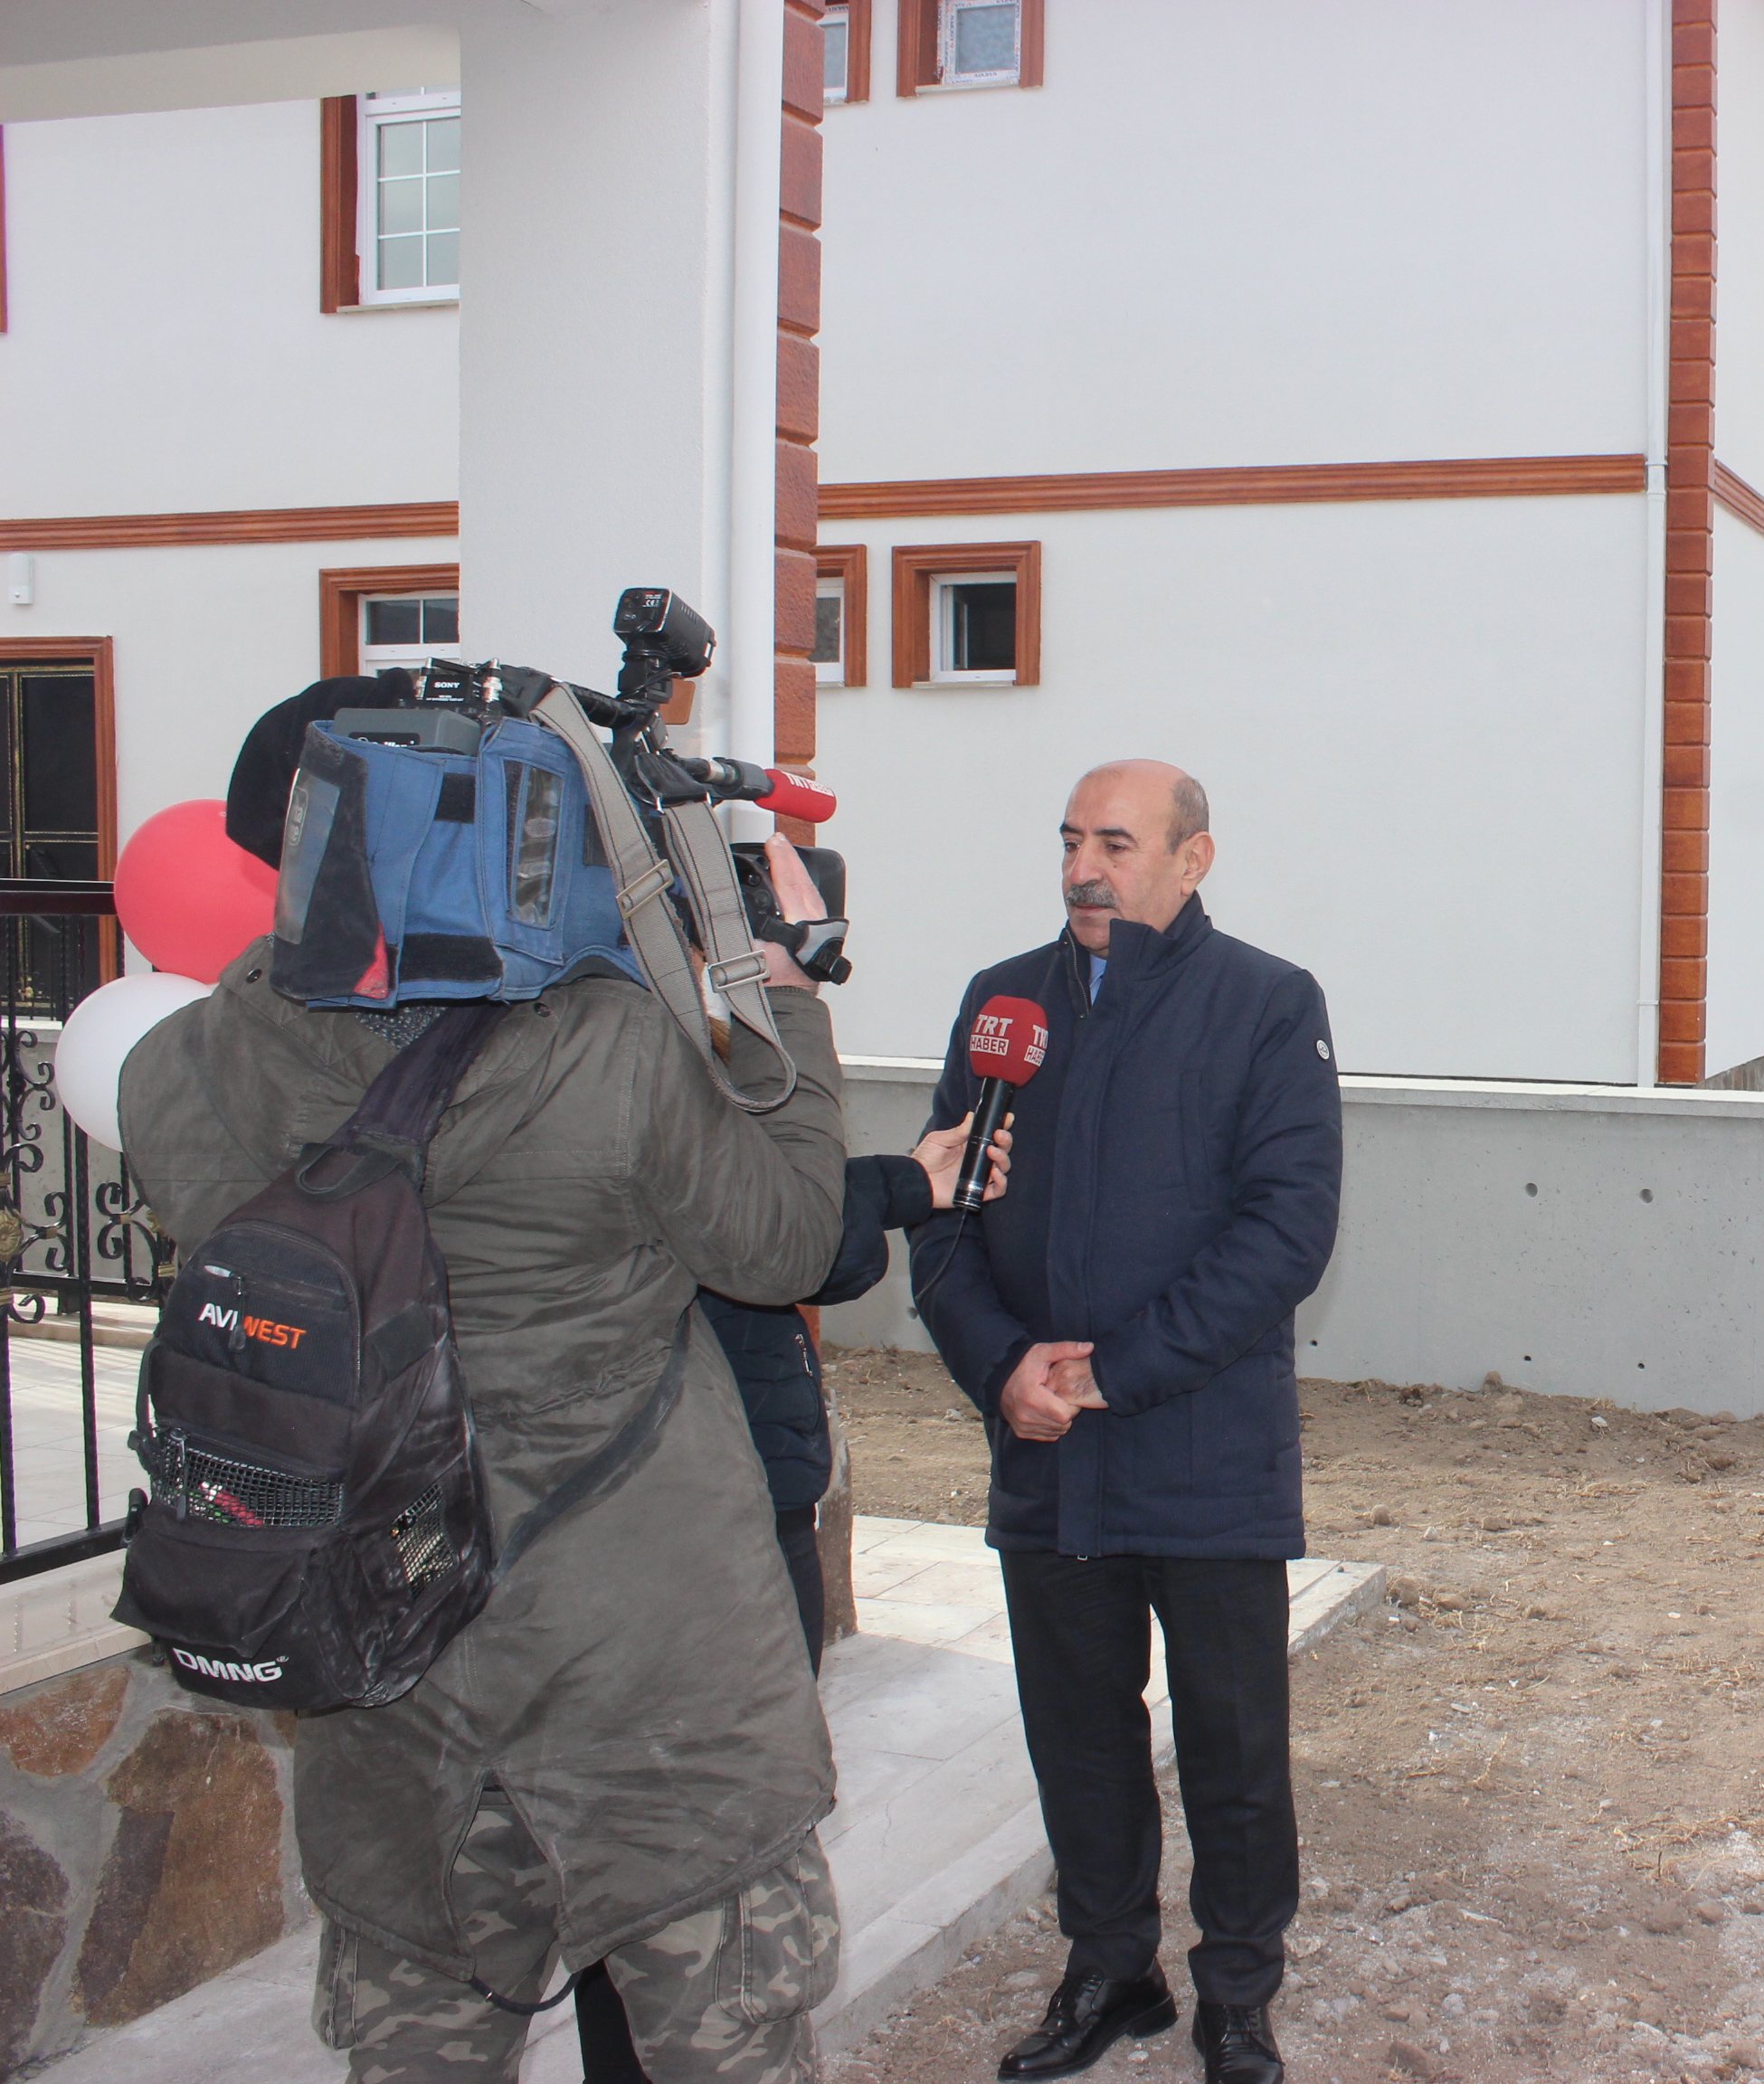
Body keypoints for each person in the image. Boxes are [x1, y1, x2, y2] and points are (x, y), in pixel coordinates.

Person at [122, 703, 854, 2081]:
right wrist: (786, 1016)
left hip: (392, 1673)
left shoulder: (205, 1058)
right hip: (646, 1682)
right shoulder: (615, 1050)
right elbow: (786, 1243)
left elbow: (229, 1098)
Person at [911, 761, 1342, 2084]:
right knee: (1078, 1738)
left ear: (1192, 860)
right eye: (1069, 842)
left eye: (1115, 842)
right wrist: (1005, 1373)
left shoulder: (1267, 1005)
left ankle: (1235, 1996)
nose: (1083, 868)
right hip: (1048, 1460)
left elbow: (1286, 1233)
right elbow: (942, 1220)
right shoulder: (1006, 1005)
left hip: (1201, 1454)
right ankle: (1110, 1973)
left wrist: (1110, 1372)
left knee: (1232, 1749)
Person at [574, 1123, 1009, 2084]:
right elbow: (793, 1242)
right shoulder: (645, 1038)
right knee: (706, 1863)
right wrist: (792, 1026)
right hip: (695, 1514)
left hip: (703, 1489)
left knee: (629, 1859)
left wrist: (889, 1181)